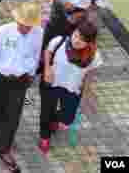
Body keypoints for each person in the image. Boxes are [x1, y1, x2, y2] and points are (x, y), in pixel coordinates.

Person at [0, 2, 44, 173]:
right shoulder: (3, 31)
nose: (25, 28)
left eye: (29, 25)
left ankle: (3, 149)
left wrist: (30, 74)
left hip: (20, 81)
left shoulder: (39, 34)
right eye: (22, 23)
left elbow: (36, 57)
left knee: (12, 116)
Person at [38, 18, 101, 154]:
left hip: (72, 89)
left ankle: (54, 120)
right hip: (52, 84)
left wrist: (85, 96)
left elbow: (89, 76)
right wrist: (47, 69)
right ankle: (44, 137)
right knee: (46, 112)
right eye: (76, 35)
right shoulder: (59, 42)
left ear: (89, 42)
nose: (77, 40)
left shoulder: (94, 56)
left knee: (68, 118)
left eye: (82, 39)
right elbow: (48, 51)